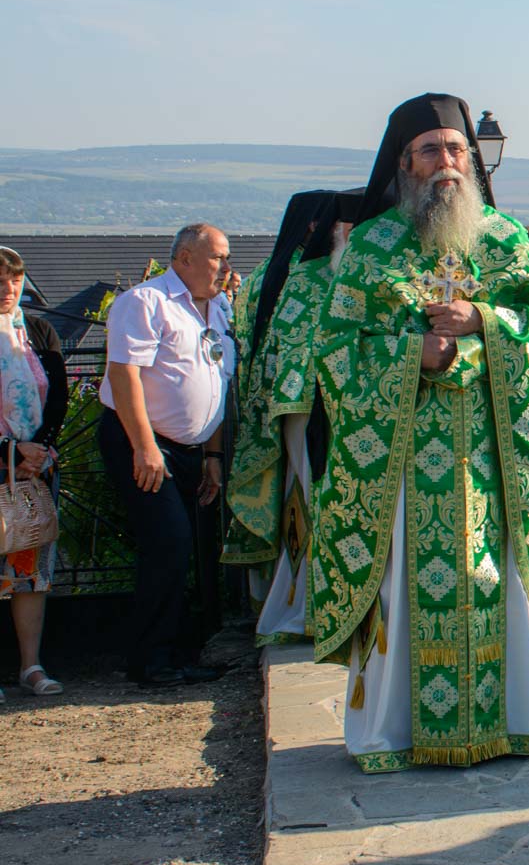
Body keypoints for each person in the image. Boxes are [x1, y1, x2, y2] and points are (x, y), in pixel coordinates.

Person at [307, 93, 529, 773]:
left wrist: (484, 324)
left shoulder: (504, 239)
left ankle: (506, 720)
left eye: (457, 149)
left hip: (488, 455)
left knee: (487, 579)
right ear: (404, 164)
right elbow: (336, 350)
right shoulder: (370, 247)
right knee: (405, 585)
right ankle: (394, 730)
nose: (448, 162)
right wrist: (411, 356)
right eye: (432, 150)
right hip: (400, 456)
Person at [101, 223, 234, 687]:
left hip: (192, 450)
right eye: (217, 257)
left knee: (188, 550)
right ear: (184, 259)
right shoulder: (144, 302)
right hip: (142, 443)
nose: (225, 267)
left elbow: (217, 381)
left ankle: (178, 653)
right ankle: (150, 661)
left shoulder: (217, 307)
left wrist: (212, 456)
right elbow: (124, 376)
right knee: (169, 545)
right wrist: (144, 447)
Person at [226, 190, 361, 646]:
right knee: (311, 502)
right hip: (305, 408)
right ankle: (308, 605)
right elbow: (286, 346)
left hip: (355, 410)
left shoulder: (357, 273)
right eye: (350, 226)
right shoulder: (301, 279)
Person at [0, 246, 68, 697]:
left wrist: (39, 449)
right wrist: (7, 450)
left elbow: (58, 393)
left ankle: (31, 665)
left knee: (29, 573)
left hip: (32, 474)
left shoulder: (38, 331)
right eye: (0, 280)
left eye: (15, 279)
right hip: (4, 463)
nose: (8, 289)